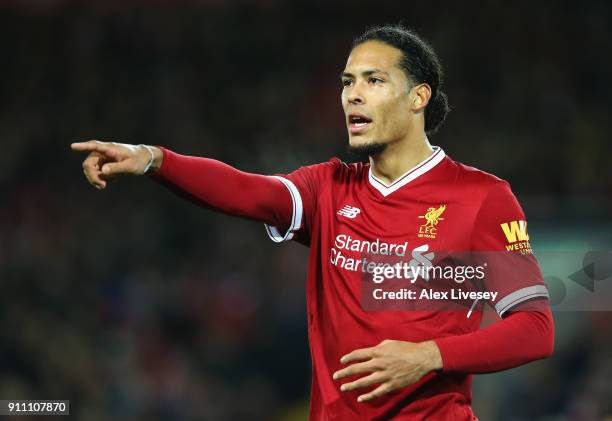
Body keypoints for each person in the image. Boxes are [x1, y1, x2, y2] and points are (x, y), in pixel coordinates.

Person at [72, 25, 554, 421]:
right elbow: (247, 191)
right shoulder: (329, 188)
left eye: (374, 80)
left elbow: (535, 328)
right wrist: (155, 159)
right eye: (347, 82)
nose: (353, 96)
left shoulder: (481, 198)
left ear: (417, 97)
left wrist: (430, 355)